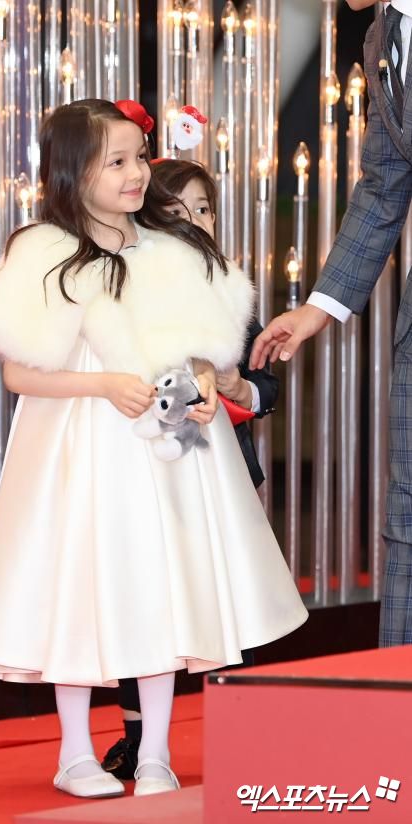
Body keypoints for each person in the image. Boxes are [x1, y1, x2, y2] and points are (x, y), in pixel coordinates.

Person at [0, 98, 307, 800]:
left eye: (138, 158)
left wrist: (205, 384)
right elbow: (20, 373)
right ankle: (75, 752)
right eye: (115, 162)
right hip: (79, 449)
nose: (136, 173)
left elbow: (203, 354)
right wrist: (104, 384)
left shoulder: (172, 252)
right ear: (71, 171)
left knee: (163, 585)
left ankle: (156, 754)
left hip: (165, 450)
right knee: (78, 586)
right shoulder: (43, 252)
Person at [101, 158, 279, 780]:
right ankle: (138, 737)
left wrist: (236, 386)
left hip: (226, 477)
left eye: (203, 209)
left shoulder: (229, 286)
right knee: (144, 600)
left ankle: (246, 732)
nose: (193, 221)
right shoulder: (128, 284)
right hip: (149, 472)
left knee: (234, 597)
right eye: (176, 211)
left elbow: (265, 386)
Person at [250, 0, 412, 648]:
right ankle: (400, 691)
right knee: (407, 516)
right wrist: (318, 308)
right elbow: (383, 184)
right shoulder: (381, 35)